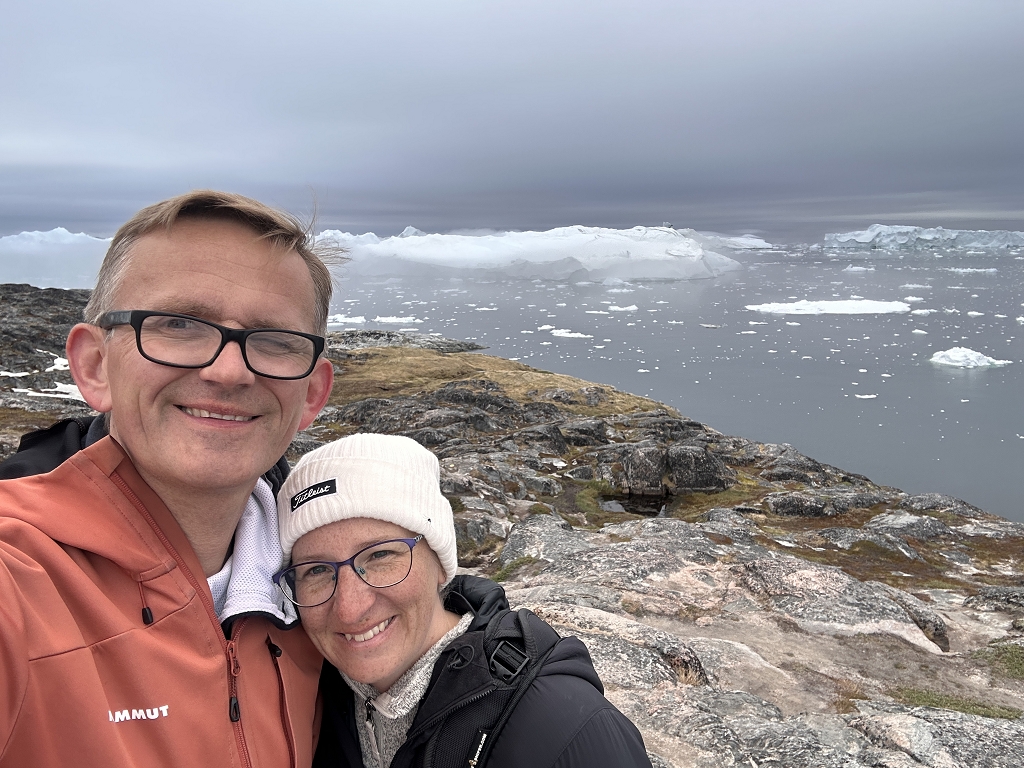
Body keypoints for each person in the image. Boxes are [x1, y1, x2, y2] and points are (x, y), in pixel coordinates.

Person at [0, 191, 337, 767]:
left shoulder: (327, 594)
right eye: (178, 324)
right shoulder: (20, 578)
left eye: (275, 340)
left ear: (312, 394)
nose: (229, 371)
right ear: (95, 366)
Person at [274, 433, 653, 768]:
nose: (349, 608)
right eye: (316, 570)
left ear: (441, 565)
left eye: (380, 555)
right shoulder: (306, 704)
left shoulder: (565, 730)